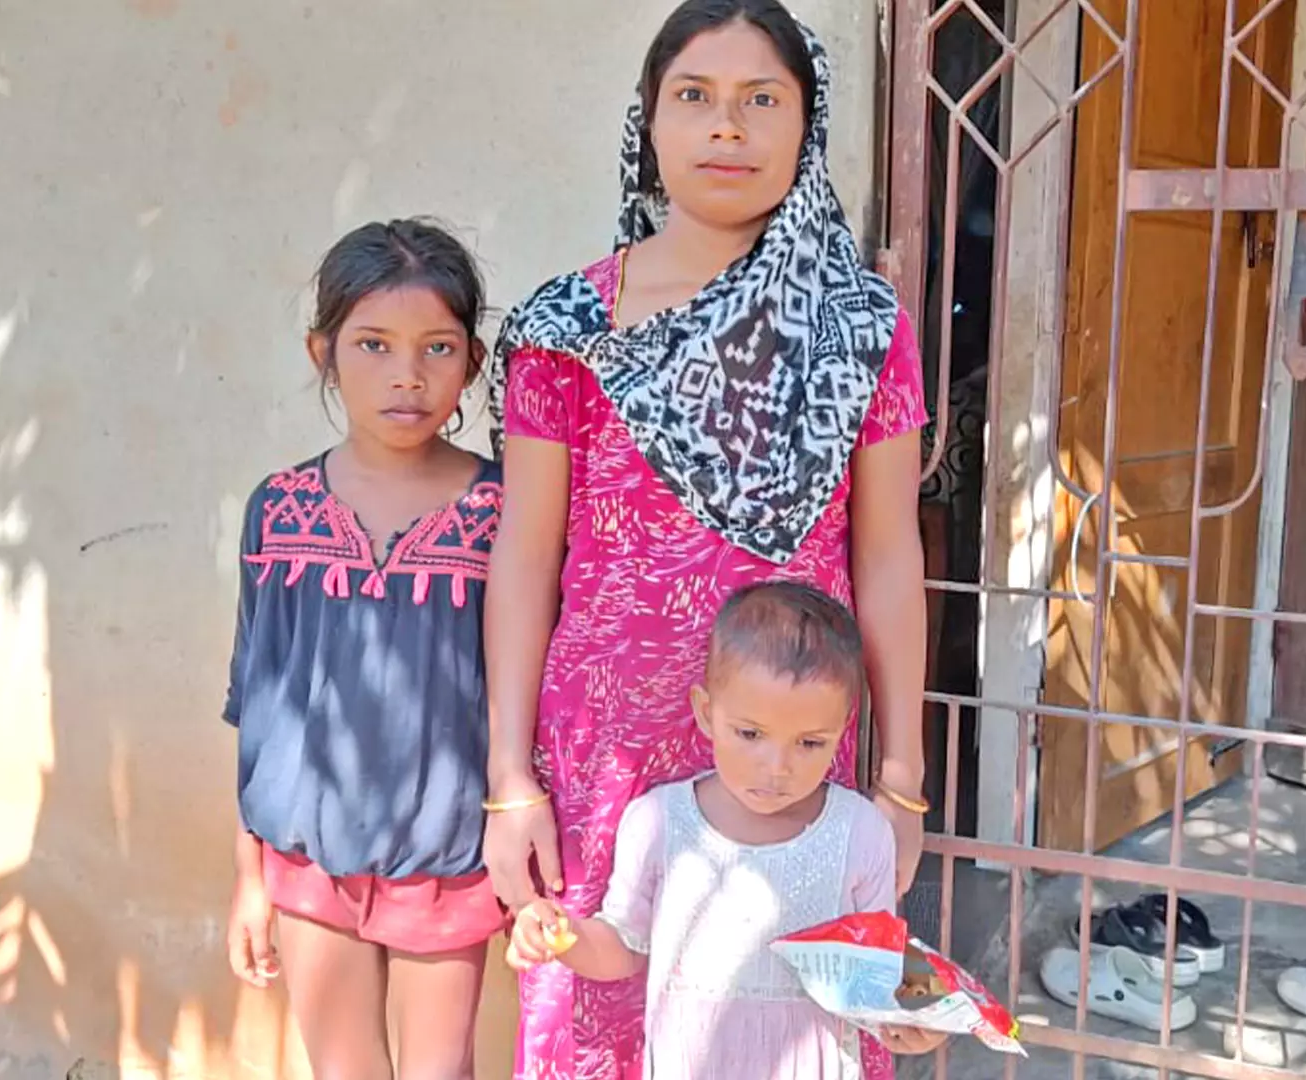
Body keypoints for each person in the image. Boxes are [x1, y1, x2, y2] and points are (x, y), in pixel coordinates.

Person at [483, 1, 930, 1076]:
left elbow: (886, 557)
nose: (726, 128)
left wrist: (902, 776)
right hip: (605, 761)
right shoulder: (566, 326)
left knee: (790, 1022)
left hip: (789, 749)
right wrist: (510, 777)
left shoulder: (859, 327)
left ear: (806, 127)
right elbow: (524, 558)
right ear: (649, 122)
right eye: (695, 97)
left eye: (760, 100)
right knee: (603, 1015)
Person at [222, 219, 504, 1080]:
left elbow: (525, 690)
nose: (407, 376)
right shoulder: (280, 510)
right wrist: (248, 878)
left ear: (473, 364)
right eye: (373, 345)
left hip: (450, 860)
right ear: (323, 353)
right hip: (306, 859)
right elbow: (256, 698)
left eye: (437, 348)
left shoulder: (507, 513)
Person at [505, 582, 947, 1078]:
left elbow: (877, 966)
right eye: (751, 734)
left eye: (809, 743)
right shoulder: (659, 823)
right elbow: (623, 945)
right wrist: (564, 937)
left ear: (842, 730)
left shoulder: (860, 833)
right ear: (706, 712)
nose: (776, 766)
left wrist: (919, 1013)